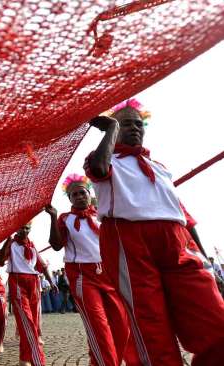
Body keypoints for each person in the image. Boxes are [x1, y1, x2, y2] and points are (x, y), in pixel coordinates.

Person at [85, 99, 224, 365]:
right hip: (130, 243)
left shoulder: (160, 168)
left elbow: (184, 218)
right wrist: (111, 130)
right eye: (126, 124)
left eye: (139, 124)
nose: (134, 128)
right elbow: (99, 169)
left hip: (178, 242)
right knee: (152, 330)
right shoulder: (105, 159)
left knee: (216, 322)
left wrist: (206, 262)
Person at [45, 174, 139, 366]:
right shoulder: (65, 219)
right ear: (70, 199)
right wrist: (53, 218)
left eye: (83, 193)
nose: (79, 197)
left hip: (108, 274)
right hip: (82, 276)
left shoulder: (102, 214)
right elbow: (56, 245)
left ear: (90, 194)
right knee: (98, 326)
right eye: (74, 195)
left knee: (122, 326)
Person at [6, 223, 58, 366]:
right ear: (16, 228)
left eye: (27, 228)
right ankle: (38, 360)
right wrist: (6, 240)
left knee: (32, 322)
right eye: (21, 227)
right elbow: (0, 260)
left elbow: (43, 265)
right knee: (27, 321)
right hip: (17, 281)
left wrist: (51, 282)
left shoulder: (32, 246)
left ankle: (24, 359)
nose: (24, 230)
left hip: (34, 283)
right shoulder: (11, 244)